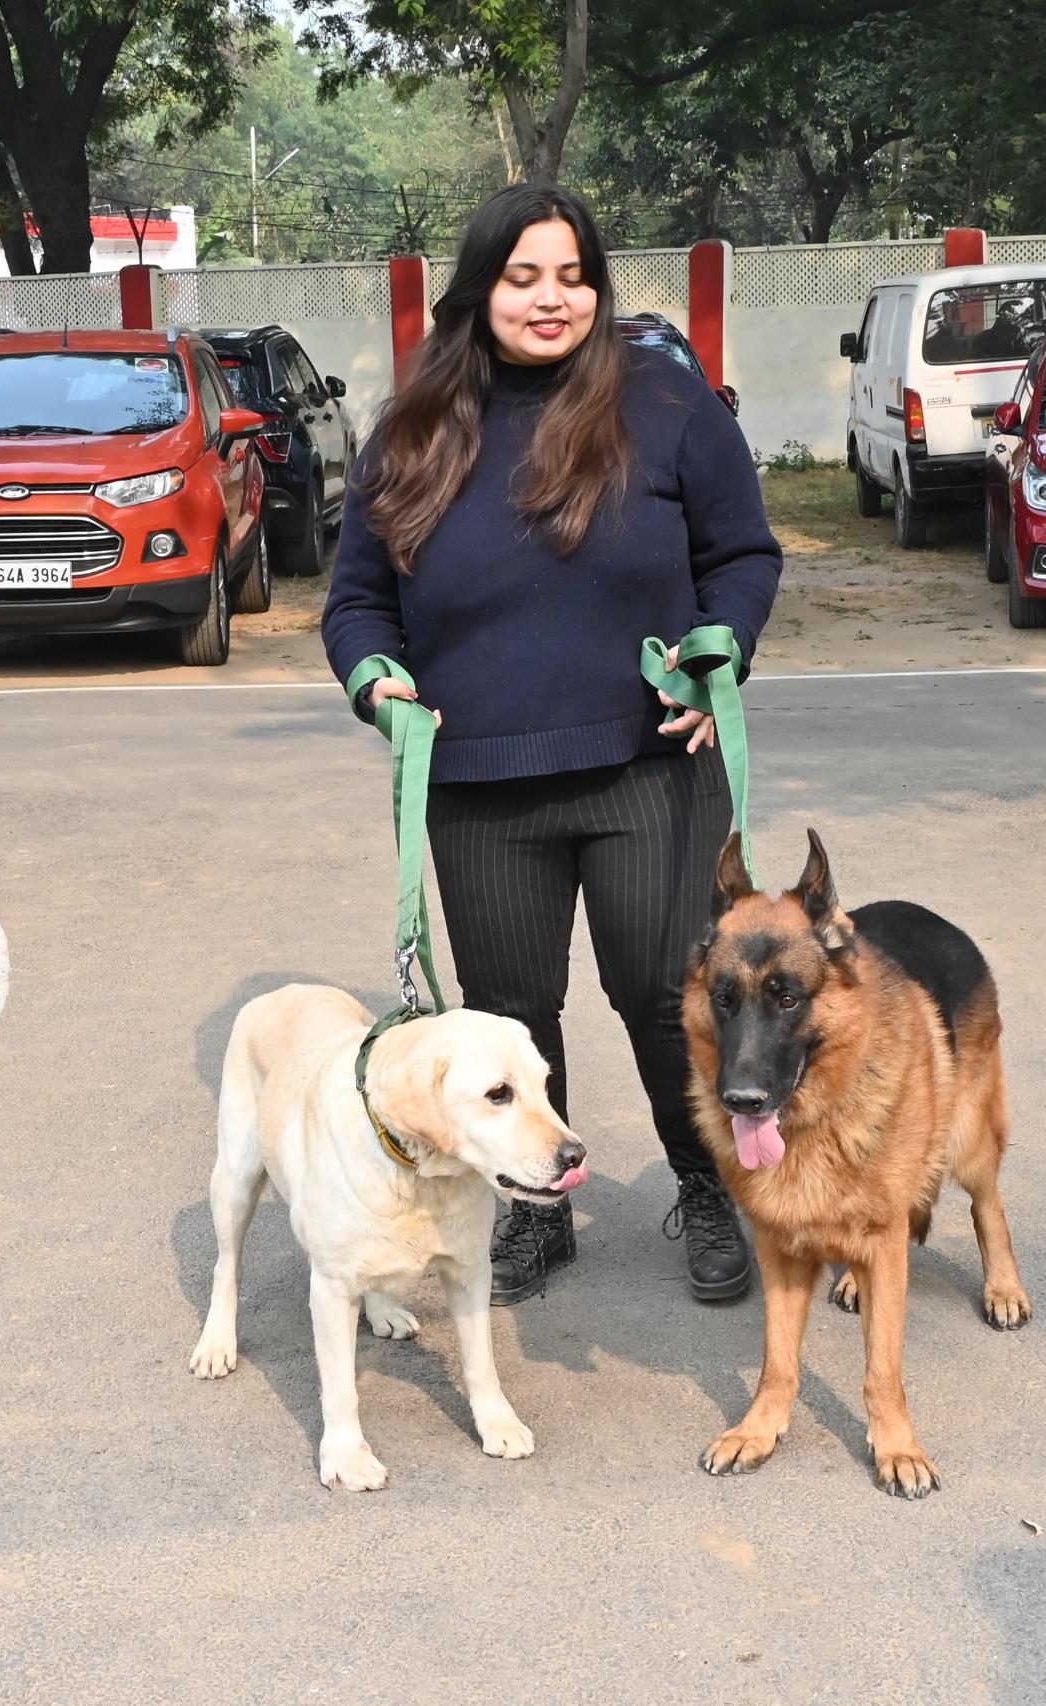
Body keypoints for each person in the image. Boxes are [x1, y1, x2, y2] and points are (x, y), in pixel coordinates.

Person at [322, 184, 784, 1305]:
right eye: (524, 277)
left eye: (573, 276)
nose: (552, 299)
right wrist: (375, 677)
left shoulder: (666, 404)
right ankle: (539, 1211)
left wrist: (721, 640)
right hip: (477, 778)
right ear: (479, 288)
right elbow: (356, 602)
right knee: (511, 1008)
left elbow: (742, 554)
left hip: (646, 761)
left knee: (664, 992)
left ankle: (711, 1183)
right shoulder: (413, 430)